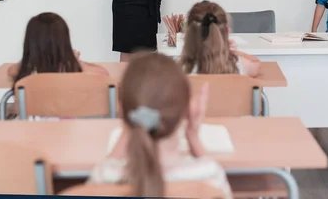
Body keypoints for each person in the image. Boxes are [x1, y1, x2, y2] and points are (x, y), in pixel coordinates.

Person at [87, 52, 232, 199]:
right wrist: (192, 135)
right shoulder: (209, 177)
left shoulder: (104, 178)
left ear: (123, 111)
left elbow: (107, 166)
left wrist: (127, 129)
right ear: (187, 110)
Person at [7, 12, 108, 83]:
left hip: (32, 113)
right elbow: (103, 73)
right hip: (65, 112)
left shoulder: (29, 70)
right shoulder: (70, 69)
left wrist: (30, 57)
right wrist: (76, 60)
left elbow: (11, 71)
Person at [179, 0, 261, 77]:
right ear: (227, 31)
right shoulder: (239, 66)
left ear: (188, 34)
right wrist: (231, 51)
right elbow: (256, 63)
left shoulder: (178, 69)